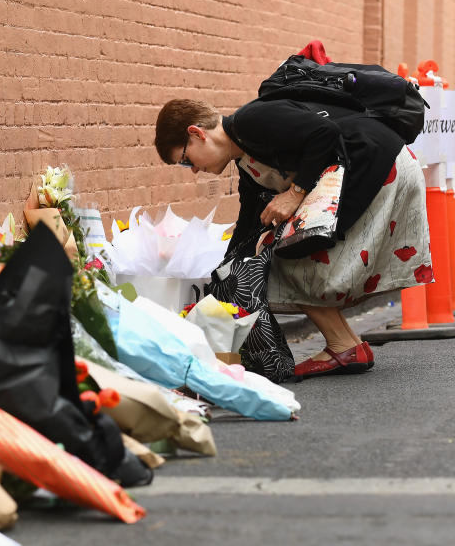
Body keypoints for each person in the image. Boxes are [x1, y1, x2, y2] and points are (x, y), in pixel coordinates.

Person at [154, 97, 433, 379]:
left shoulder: (252, 120)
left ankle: (343, 346)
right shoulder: (247, 163)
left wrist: (294, 193)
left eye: (186, 160)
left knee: (285, 258)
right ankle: (349, 346)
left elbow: (325, 134)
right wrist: (224, 274)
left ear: (197, 133)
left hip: (380, 165)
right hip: (373, 167)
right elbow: (249, 224)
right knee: (273, 257)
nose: (193, 170)